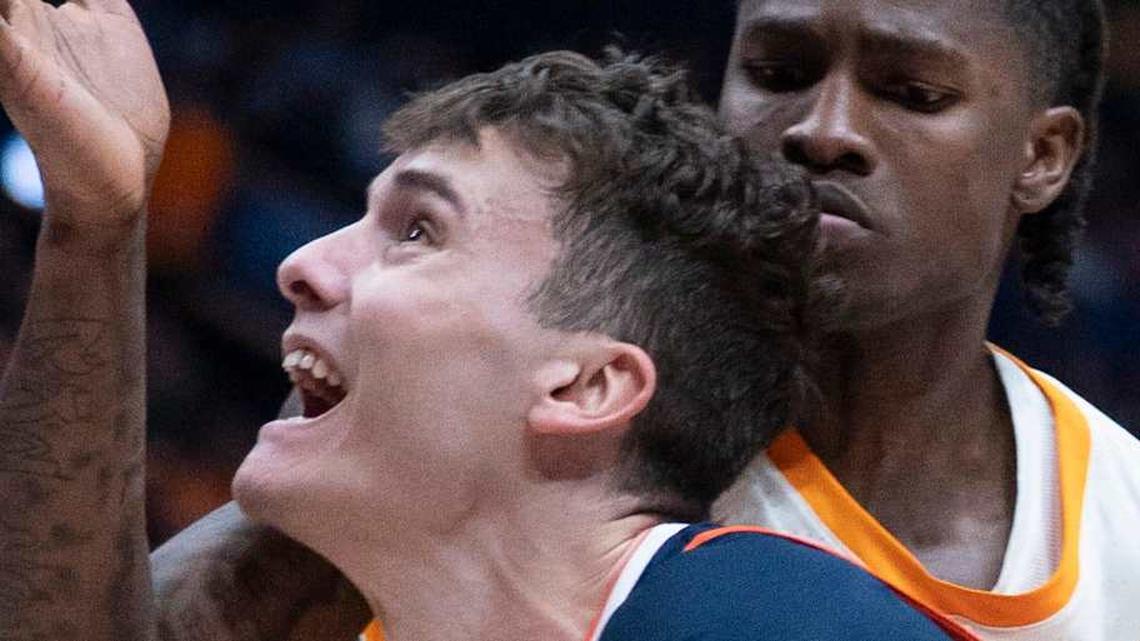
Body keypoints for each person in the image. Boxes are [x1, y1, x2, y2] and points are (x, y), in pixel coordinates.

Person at [0, 5, 977, 639]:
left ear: (584, 385)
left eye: (418, 230)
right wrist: (97, 223)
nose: (300, 266)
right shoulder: (310, 583)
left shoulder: (762, 617)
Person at [711, 0, 1140, 639]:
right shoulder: (574, 467)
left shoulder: (1125, 519)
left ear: (1043, 155)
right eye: (777, 74)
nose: (824, 133)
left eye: (914, 94)